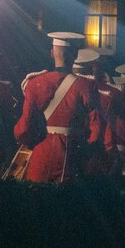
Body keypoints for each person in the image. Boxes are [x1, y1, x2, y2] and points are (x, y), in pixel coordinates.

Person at [13, 32, 102, 183]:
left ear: (52, 53)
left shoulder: (34, 83)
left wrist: (27, 140)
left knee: (36, 196)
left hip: (42, 149)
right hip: (71, 153)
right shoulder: (87, 86)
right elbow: (96, 129)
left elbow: (24, 127)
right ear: (75, 56)